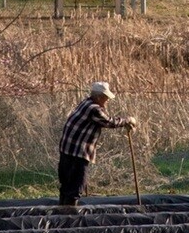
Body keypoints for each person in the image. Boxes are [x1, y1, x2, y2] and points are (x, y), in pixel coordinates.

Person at [57, 81, 136, 210]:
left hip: (67, 148)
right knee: (76, 187)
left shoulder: (85, 103)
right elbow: (109, 122)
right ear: (99, 97)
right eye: (106, 98)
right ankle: (68, 217)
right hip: (78, 151)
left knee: (66, 186)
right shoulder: (94, 109)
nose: (107, 101)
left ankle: (61, 213)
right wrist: (128, 120)